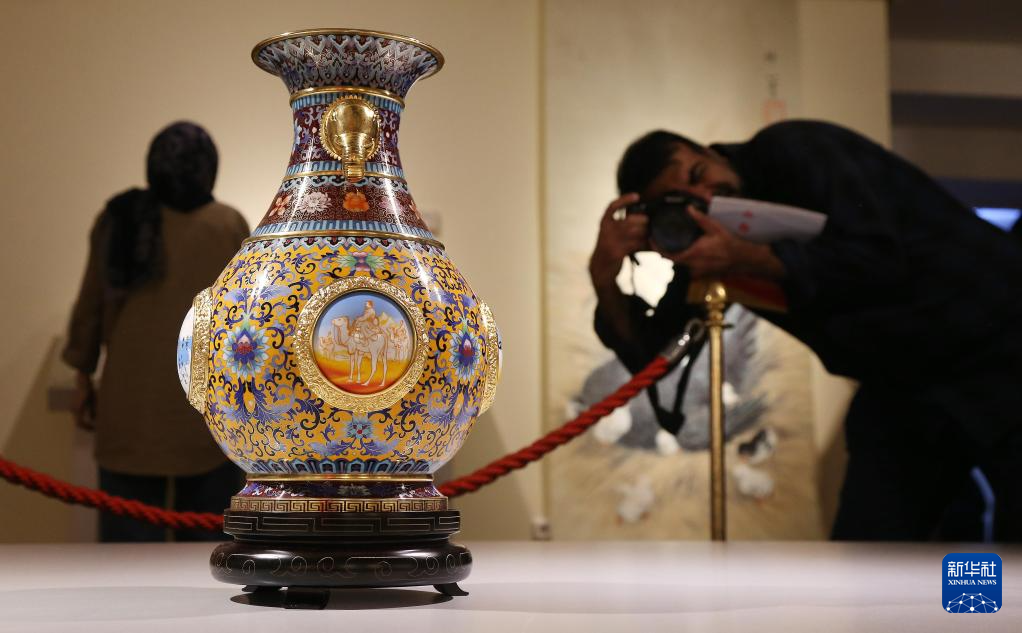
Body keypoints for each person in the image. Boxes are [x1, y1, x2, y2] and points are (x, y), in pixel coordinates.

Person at [590, 120, 1022, 541]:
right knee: (870, 552)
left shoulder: (792, 150)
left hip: (999, 344)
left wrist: (752, 258)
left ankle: (978, 592)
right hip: (902, 381)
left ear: (709, 151)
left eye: (699, 174)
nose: (706, 196)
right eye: (680, 201)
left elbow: (880, 260)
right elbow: (653, 358)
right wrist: (605, 276)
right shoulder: (706, 240)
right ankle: (962, 591)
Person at [63, 122, 250, 542]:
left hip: (130, 410)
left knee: (126, 557)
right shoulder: (229, 225)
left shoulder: (120, 219)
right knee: (205, 553)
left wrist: (82, 378)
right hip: (207, 415)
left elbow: (90, 308)